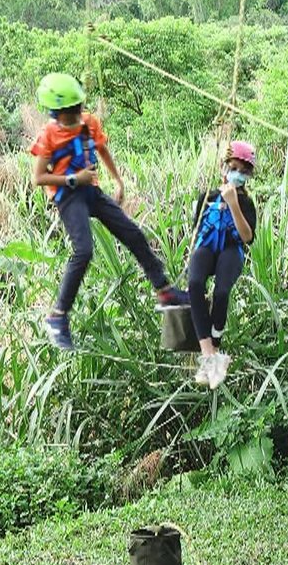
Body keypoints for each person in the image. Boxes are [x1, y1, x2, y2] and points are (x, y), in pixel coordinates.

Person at [30, 72, 186, 351]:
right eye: (70, 112)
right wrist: (72, 178)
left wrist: (118, 180)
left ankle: (164, 291)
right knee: (83, 250)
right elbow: (39, 177)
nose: (77, 115)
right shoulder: (49, 136)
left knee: (133, 233)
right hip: (69, 196)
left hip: (92, 191)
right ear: (56, 112)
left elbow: (101, 149)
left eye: (78, 109)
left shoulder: (88, 123)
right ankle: (57, 317)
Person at [188, 141, 258, 388]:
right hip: (207, 245)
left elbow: (247, 237)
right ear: (225, 167)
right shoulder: (206, 197)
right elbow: (197, 229)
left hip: (231, 249)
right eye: (234, 168)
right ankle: (209, 357)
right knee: (194, 283)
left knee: (221, 292)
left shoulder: (246, 203)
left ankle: (215, 351)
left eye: (243, 170)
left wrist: (233, 203)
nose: (237, 174)